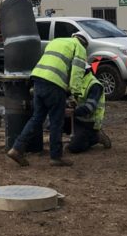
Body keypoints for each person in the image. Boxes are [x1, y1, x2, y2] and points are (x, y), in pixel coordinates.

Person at [7, 32, 88, 167]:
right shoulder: (79, 47)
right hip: (54, 85)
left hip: (38, 80)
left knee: (37, 118)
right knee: (56, 121)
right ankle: (56, 157)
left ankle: (17, 148)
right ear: (85, 43)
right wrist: (76, 94)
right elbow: (77, 73)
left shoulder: (57, 41)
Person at [68, 61, 112, 153]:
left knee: (74, 147)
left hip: (90, 123)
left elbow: (89, 108)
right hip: (78, 119)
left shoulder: (94, 85)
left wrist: (71, 112)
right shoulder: (76, 82)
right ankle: (77, 136)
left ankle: (96, 136)